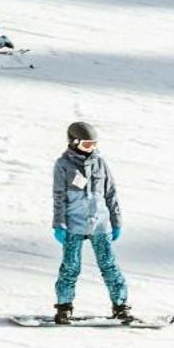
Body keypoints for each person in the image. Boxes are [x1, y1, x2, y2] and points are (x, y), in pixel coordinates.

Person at [51, 121, 129, 324]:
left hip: (100, 224)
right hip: (73, 223)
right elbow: (58, 196)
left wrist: (116, 221)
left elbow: (111, 193)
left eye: (93, 144)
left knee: (109, 265)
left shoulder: (100, 163)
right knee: (70, 266)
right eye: (87, 145)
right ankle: (64, 307)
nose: (91, 148)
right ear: (74, 142)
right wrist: (59, 224)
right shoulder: (63, 165)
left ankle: (121, 307)